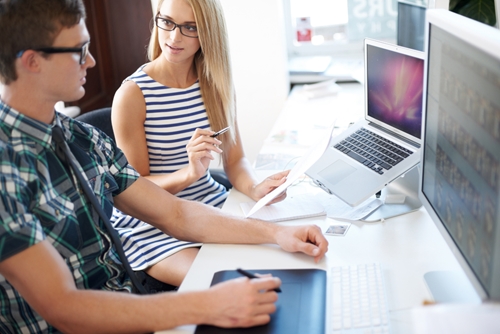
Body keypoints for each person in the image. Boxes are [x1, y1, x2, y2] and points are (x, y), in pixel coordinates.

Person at [0, 0, 328, 332]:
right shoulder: (6, 171)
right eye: (79, 50)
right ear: (32, 61)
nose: (92, 60)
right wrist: (208, 303)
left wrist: (277, 233)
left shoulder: (80, 137)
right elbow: (64, 309)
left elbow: (174, 213)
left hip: (125, 300)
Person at [110, 0, 290, 287]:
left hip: (207, 204)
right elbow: (135, 191)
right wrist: (189, 174)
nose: (173, 37)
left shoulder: (214, 83)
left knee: (278, 262)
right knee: (222, 284)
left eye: (189, 27)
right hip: (150, 223)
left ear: (208, 32)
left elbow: (235, 160)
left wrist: (255, 188)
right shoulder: (133, 95)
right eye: (166, 21)